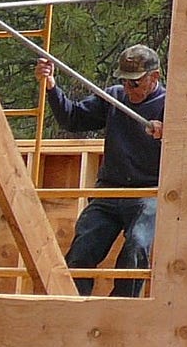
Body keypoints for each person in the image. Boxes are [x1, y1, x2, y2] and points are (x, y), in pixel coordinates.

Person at [35, 44, 166, 296]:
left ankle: (119, 310)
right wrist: (51, 87)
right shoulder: (114, 97)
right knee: (82, 248)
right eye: (125, 82)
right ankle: (72, 308)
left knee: (137, 246)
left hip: (148, 193)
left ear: (155, 77)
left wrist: (169, 133)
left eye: (135, 83)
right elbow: (72, 118)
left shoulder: (172, 105)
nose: (129, 89)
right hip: (109, 191)